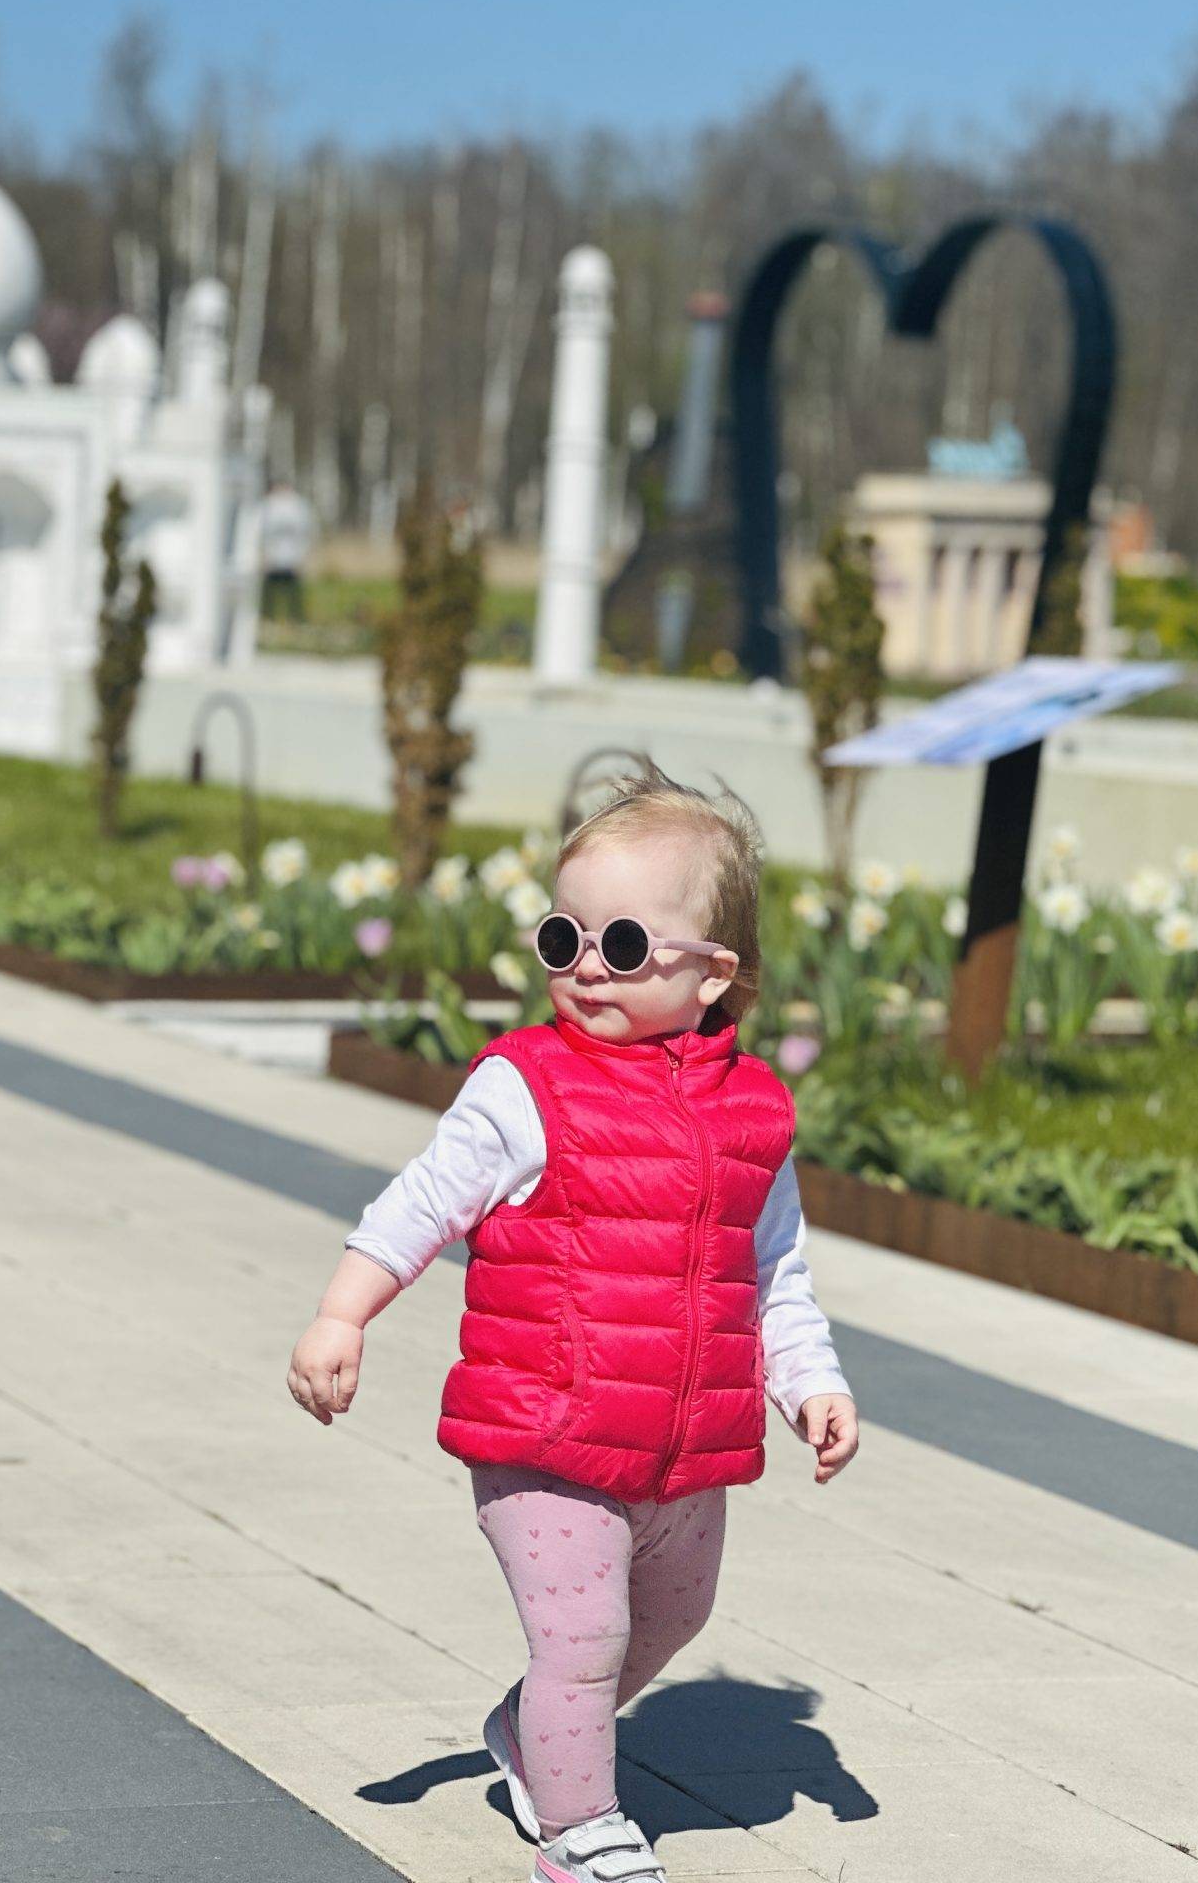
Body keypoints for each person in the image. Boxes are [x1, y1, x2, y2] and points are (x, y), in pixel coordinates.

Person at [286, 764, 858, 1883]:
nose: (586, 966)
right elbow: (419, 1205)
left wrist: (810, 1383)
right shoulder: (523, 1088)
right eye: (564, 939)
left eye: (626, 946)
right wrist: (340, 1313)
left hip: (686, 1444)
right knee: (582, 1641)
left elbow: (772, 1266)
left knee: (673, 1620)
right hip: (546, 1429)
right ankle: (578, 1828)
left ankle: (523, 1738)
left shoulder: (754, 1113)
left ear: (712, 977)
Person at [257, 481, 315, 623]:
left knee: (293, 593)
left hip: (292, 557)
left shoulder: (298, 506)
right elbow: (259, 531)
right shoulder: (268, 505)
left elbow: (307, 531)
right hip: (273, 557)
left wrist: (303, 555)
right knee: (270, 592)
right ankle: (267, 618)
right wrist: (263, 554)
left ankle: (296, 619)